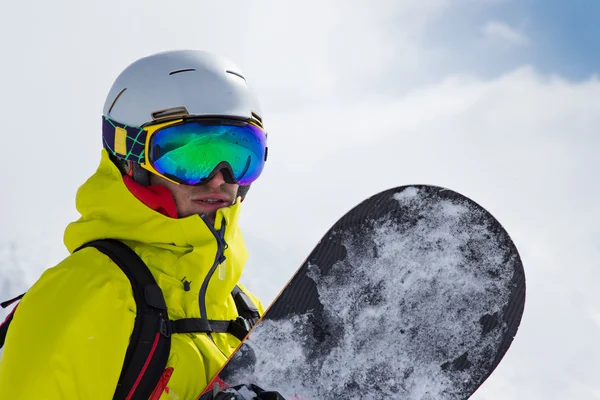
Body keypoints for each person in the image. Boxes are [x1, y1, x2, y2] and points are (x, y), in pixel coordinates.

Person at [0, 50, 277, 399]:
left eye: (240, 155)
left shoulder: (242, 309)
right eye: (192, 157)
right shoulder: (85, 292)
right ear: (130, 157)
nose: (220, 179)